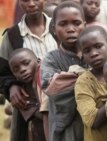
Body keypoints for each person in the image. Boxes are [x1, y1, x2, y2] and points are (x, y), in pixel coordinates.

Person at [0, 0, 57, 141]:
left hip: (64, 102)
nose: (31, 4)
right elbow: (2, 72)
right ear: (19, 3)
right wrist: (11, 86)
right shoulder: (12, 36)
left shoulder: (59, 25)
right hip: (32, 110)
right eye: (25, 0)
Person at [41, 1, 87, 141]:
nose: (70, 29)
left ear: (85, 25)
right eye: (63, 24)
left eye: (76, 23)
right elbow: (52, 87)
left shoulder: (96, 54)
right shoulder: (51, 59)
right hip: (67, 129)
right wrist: (90, 77)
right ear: (54, 29)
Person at [75, 25, 107, 141]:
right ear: (82, 56)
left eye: (98, 46)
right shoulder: (84, 82)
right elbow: (92, 120)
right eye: (87, 51)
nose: (94, 53)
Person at [9, 48, 45, 141]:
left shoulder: (52, 79)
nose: (22, 70)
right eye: (16, 69)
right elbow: (44, 116)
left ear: (38, 61)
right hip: (41, 135)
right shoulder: (21, 96)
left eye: (26, 63)